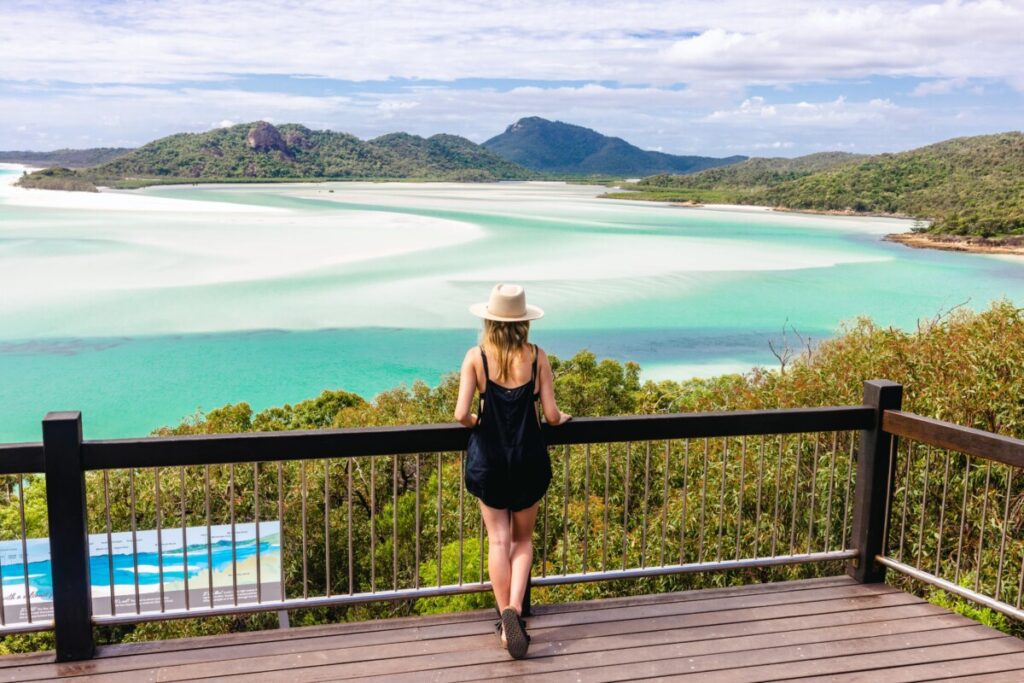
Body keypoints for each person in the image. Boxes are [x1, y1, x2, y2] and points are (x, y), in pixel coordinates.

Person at [454, 283, 571, 659]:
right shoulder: (537, 358)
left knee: (498, 541)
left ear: (489, 320)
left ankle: (505, 617)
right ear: (524, 323)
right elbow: (551, 416)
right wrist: (563, 418)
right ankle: (514, 614)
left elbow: (460, 415)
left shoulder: (477, 357)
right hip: (528, 461)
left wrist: (477, 420)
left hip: (489, 462)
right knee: (522, 541)